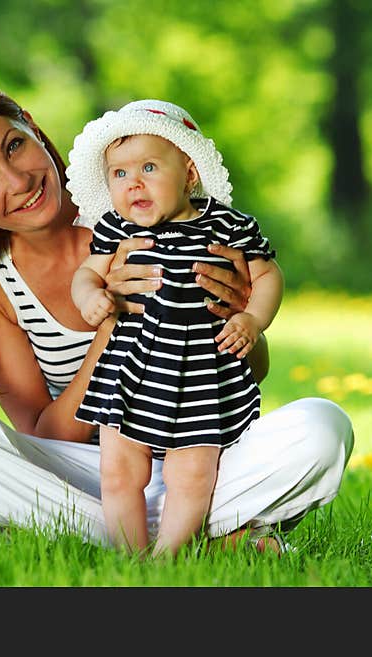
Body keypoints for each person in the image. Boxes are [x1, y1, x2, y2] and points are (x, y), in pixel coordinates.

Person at [0, 79, 353, 555]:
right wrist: (111, 326)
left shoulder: (146, 213)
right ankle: (200, 533)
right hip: (93, 467)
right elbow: (45, 434)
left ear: (34, 129)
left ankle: (63, 529)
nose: (17, 182)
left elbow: (251, 366)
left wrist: (240, 319)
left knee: (321, 427)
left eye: (14, 146)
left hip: (199, 448)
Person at [66, 99, 283, 556]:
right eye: (119, 174)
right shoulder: (114, 228)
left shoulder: (226, 224)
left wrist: (251, 319)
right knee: (119, 470)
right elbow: (87, 272)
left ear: (188, 173)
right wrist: (90, 296)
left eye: (148, 166)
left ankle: (169, 557)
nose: (134, 183)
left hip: (201, 371)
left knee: (192, 474)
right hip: (131, 369)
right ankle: (130, 556)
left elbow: (266, 276)